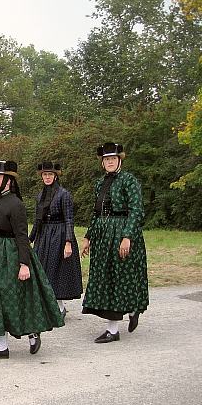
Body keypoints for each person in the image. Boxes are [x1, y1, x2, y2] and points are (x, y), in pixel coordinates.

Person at [0, 159, 64, 359]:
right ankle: (1, 347)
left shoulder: (16, 204)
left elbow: (21, 236)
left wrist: (24, 264)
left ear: (8, 180)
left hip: (10, 255)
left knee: (14, 299)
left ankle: (33, 332)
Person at [81, 143, 149, 343]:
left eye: (113, 158)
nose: (109, 162)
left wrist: (127, 236)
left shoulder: (129, 180)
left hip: (122, 232)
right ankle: (115, 326)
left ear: (119, 160)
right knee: (106, 279)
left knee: (123, 278)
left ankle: (125, 318)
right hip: (103, 236)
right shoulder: (99, 183)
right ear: (102, 163)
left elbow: (137, 211)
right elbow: (96, 213)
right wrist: (88, 237)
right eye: (106, 159)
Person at [29, 162, 83, 318]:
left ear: (55, 176)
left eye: (50, 174)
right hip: (43, 235)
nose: (47, 177)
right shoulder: (40, 195)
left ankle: (59, 308)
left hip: (59, 234)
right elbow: (37, 220)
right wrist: (30, 238)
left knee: (56, 271)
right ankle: (48, 306)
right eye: (45, 175)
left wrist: (68, 242)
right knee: (42, 270)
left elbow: (69, 220)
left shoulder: (63, 194)